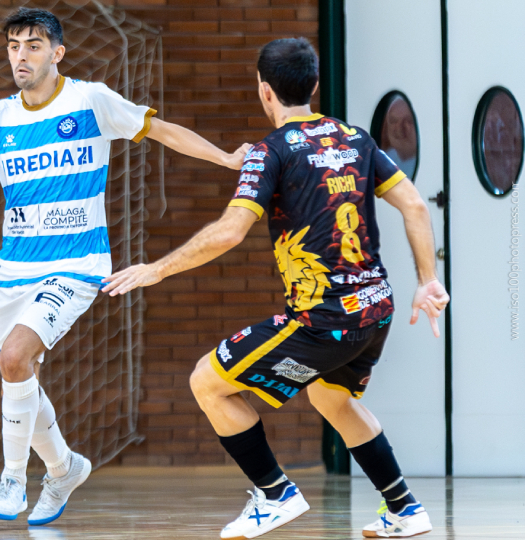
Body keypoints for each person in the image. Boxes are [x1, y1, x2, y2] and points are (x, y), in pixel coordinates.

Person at [0, 7, 249, 526]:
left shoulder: (90, 100)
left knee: (15, 359)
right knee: (18, 373)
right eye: (13, 46)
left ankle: (11, 480)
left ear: (57, 52)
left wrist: (227, 159)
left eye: (32, 45)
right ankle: (64, 467)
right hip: (14, 272)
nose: (20, 56)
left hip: (76, 266)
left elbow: (163, 132)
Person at [102, 37, 449, 539]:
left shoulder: (271, 152)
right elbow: (415, 205)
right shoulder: (354, 138)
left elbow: (229, 231)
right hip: (376, 309)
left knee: (206, 382)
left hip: (325, 320)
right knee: (332, 400)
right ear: (313, 85)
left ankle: (275, 494)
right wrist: (428, 281)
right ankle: (403, 507)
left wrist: (157, 269)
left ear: (265, 92)